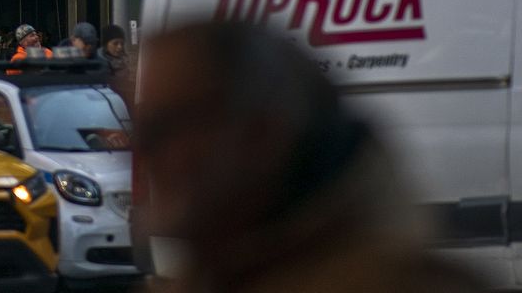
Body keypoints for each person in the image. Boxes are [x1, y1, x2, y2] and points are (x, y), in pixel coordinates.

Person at [131, 20, 485, 293]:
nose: (142, 148)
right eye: (140, 124)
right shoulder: (212, 277)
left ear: (260, 135)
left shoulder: (394, 282)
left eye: (166, 127)